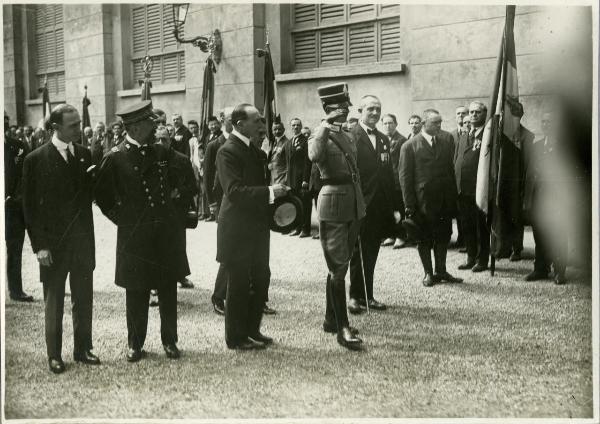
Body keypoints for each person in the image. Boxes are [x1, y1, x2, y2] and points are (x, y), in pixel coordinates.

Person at [95, 100, 186, 362]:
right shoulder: (115, 157)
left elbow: (182, 174)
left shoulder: (161, 152)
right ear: (134, 127)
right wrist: (124, 220)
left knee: (168, 289)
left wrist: (175, 202)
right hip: (135, 236)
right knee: (136, 290)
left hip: (164, 234)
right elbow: (102, 196)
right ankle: (135, 343)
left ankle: (170, 341)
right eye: (150, 123)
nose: (155, 127)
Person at [22, 104, 99, 374]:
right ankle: (54, 354)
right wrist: (39, 246)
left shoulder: (85, 154)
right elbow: (29, 208)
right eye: (73, 125)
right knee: (53, 302)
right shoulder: (35, 159)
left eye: (79, 123)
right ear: (56, 128)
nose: (79, 129)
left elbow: (92, 195)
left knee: (83, 298)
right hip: (53, 246)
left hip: (81, 243)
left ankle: (83, 348)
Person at [216, 103, 288, 350]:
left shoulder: (256, 152)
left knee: (260, 277)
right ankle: (235, 337)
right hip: (236, 228)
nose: (262, 125)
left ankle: (252, 330)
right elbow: (234, 192)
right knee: (238, 282)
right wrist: (270, 191)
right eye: (257, 121)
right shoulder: (228, 151)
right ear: (239, 125)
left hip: (256, 227)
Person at [308, 82, 364, 350]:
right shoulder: (320, 135)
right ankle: (342, 328)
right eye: (340, 110)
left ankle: (331, 318)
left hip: (353, 200)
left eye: (345, 109)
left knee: (341, 263)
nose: (345, 114)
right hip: (333, 201)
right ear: (330, 110)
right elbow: (314, 156)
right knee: (338, 267)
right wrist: (323, 124)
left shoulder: (349, 135)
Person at [348, 96, 401, 314]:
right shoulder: (350, 136)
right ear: (360, 110)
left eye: (378, 109)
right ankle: (354, 296)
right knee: (357, 251)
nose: (375, 113)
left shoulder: (383, 139)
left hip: (379, 206)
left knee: (372, 251)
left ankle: (368, 295)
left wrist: (394, 206)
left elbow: (388, 175)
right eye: (370, 109)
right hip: (359, 203)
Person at [399, 109, 462, 287]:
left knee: (443, 236)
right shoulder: (409, 146)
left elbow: (450, 171)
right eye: (435, 123)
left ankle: (441, 270)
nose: (439, 126)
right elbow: (405, 178)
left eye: (440, 122)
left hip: (443, 200)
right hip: (422, 202)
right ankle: (428, 273)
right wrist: (409, 204)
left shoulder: (446, 141)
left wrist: (452, 198)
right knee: (424, 238)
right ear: (424, 123)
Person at [523, 110, 567, 284]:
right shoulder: (537, 146)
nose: (546, 125)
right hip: (538, 199)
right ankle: (541, 269)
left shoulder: (566, 147)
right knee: (539, 235)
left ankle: (560, 271)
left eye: (549, 122)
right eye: (543, 122)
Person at [156, 126, 198, 290]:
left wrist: (179, 192)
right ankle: (155, 284)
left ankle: (180, 275)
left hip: (177, 211)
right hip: (156, 211)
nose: (160, 143)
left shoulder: (181, 159)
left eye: (164, 139)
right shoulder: (149, 160)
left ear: (170, 140)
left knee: (178, 245)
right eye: (157, 139)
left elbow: (193, 187)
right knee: (156, 246)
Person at [454, 101, 490, 273]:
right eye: (471, 112)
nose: (474, 115)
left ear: (485, 113)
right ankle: (470, 256)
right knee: (466, 225)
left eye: (478, 112)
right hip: (463, 189)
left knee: (480, 227)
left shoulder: (489, 135)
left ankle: (482, 260)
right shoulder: (464, 135)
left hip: (479, 189)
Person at [5, 117, 33, 302]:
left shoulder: (19, 146)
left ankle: (16, 290)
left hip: (13, 206)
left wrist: (14, 196)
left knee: (14, 248)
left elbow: (28, 172)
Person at [207, 107, 232, 315]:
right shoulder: (214, 145)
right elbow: (208, 177)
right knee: (227, 252)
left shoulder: (243, 142)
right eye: (232, 118)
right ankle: (218, 295)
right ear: (223, 120)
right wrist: (212, 204)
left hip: (240, 204)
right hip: (223, 202)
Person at [381, 113, 409, 249]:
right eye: (385, 123)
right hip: (385, 182)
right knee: (388, 209)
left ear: (396, 124)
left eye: (390, 123)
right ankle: (391, 234)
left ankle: (401, 236)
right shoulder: (381, 140)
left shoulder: (402, 140)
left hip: (397, 182)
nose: (387, 126)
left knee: (400, 209)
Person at [282, 118, 312, 237]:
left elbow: (307, 162)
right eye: (293, 125)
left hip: (302, 179)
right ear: (290, 127)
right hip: (291, 179)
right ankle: (297, 228)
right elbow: (287, 163)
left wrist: (305, 179)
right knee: (295, 204)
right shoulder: (288, 143)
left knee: (305, 204)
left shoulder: (306, 141)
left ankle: (306, 229)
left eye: (298, 125)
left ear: (301, 126)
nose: (295, 127)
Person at [268, 120, 288, 185]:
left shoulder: (287, 143)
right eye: (275, 129)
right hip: (272, 176)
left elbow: (289, 162)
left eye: (279, 129)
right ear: (272, 131)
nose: (277, 131)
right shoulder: (272, 143)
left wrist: (286, 178)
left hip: (282, 177)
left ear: (284, 130)